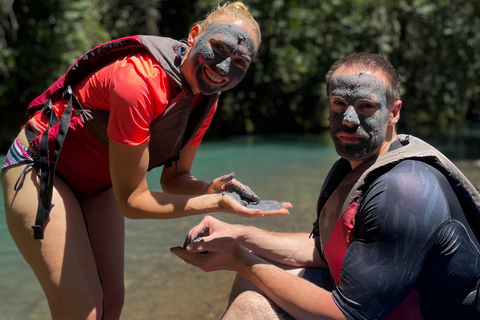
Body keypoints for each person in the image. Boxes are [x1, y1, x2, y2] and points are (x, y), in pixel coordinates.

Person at [1, 2, 291, 320]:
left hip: (97, 183)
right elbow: (133, 202)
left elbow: (175, 178)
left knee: (112, 301)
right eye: (218, 48)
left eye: (238, 62)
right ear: (194, 35)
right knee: (83, 310)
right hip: (40, 169)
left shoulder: (206, 97)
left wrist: (212, 188)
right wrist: (217, 204)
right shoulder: (137, 82)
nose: (223, 69)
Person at [172, 52, 480, 319]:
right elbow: (326, 249)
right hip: (380, 308)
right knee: (259, 270)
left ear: (394, 112)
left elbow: (348, 315)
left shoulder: (406, 190)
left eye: (366, 106)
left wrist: (239, 259)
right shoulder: (349, 168)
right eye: (339, 103)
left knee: (252, 306)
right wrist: (240, 235)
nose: (348, 118)